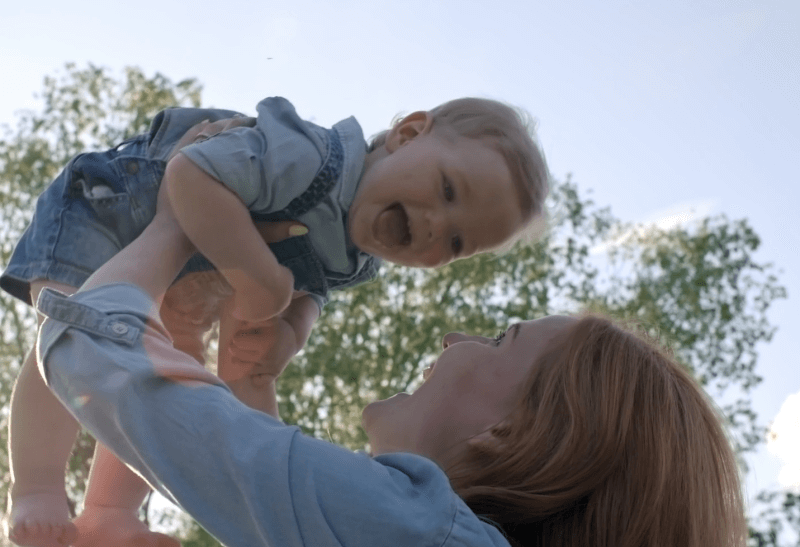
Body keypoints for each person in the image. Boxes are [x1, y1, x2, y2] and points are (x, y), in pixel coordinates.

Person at [32, 192, 746, 547]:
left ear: (514, 430)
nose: (453, 336)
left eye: (499, 340)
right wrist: (250, 383)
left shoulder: (420, 532)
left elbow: (90, 352)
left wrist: (179, 222)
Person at [2, 96, 549, 546]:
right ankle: (37, 486)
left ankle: (108, 511)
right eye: (448, 190)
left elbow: (312, 290)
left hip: (177, 273)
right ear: (408, 133)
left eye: (456, 243)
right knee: (69, 326)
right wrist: (258, 275)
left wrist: (288, 333)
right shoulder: (312, 156)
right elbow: (191, 175)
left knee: (169, 369)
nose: (435, 225)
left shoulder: (359, 255)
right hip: (110, 202)